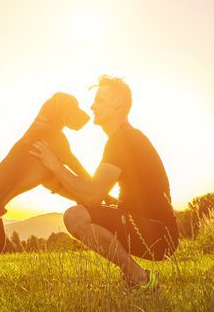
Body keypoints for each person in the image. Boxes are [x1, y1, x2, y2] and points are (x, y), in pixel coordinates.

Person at [30, 75, 179, 290]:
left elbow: (92, 194)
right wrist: (57, 183)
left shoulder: (123, 140)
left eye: (99, 100)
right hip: (151, 231)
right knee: (87, 210)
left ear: (117, 103)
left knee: (75, 216)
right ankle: (134, 277)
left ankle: (141, 280)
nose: (92, 106)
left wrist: (54, 165)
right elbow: (95, 193)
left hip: (159, 235)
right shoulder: (122, 139)